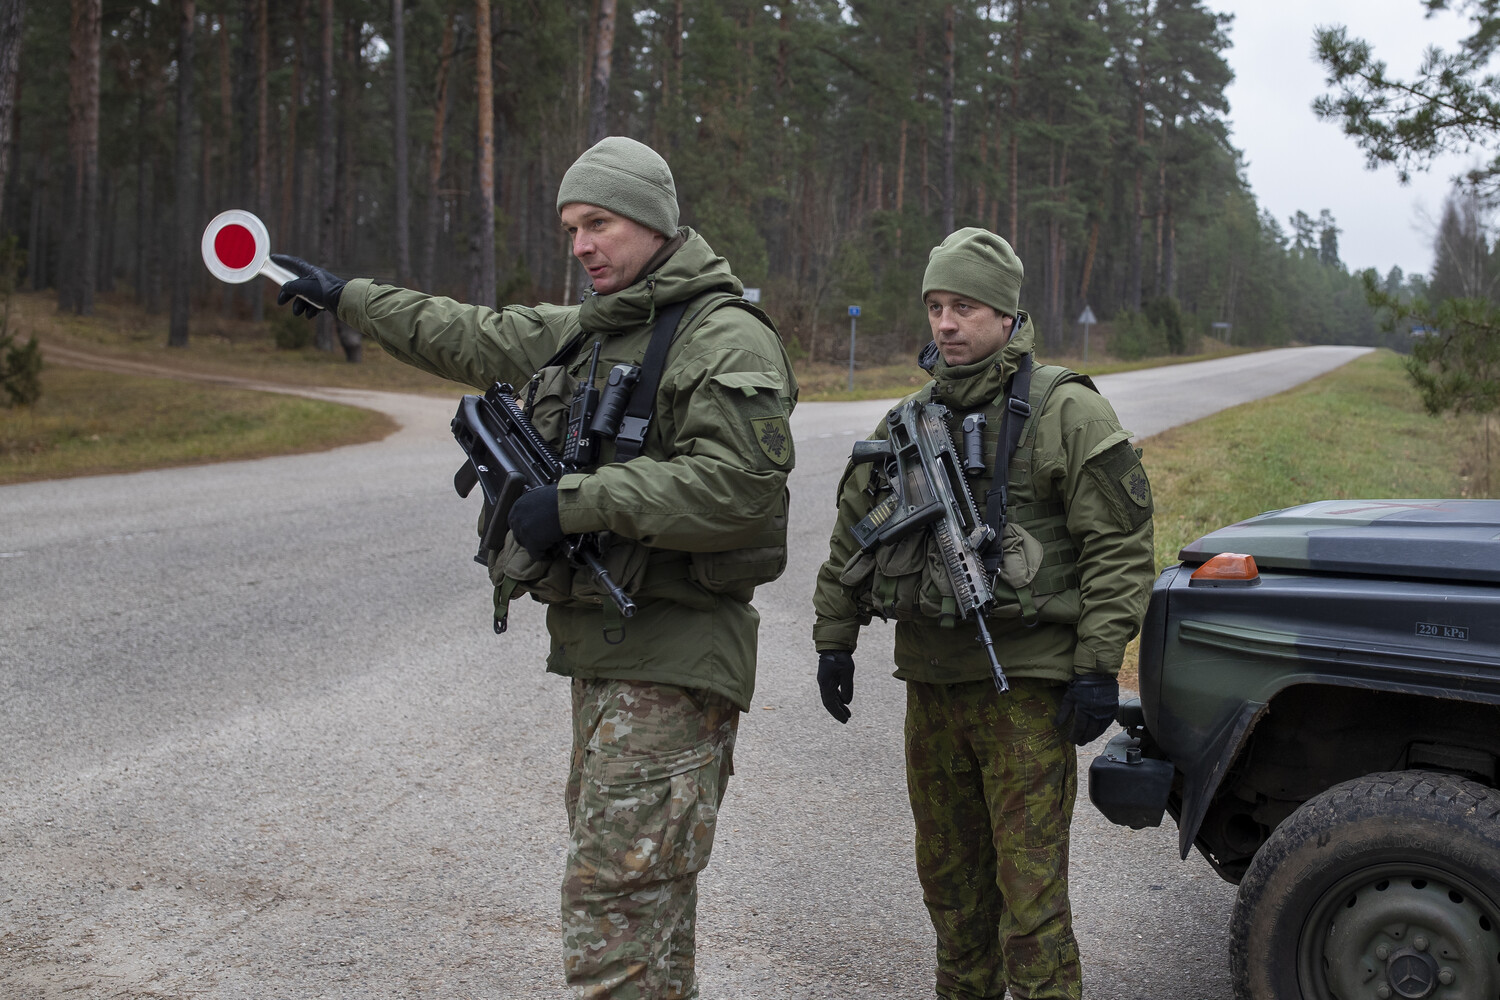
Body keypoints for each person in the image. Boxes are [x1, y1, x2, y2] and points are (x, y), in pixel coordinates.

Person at [272, 136, 797, 1000]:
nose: (582, 244)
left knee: (612, 915)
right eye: (571, 228)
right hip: (610, 663)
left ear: (655, 223)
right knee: (643, 916)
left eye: (600, 222)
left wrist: (577, 502)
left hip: (672, 662)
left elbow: (739, 488)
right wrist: (343, 296)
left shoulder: (722, 338)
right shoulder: (595, 330)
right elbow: (470, 334)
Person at [811, 228, 1153, 1000]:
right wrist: (834, 641)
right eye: (935, 307)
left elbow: (1121, 549)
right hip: (931, 690)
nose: (945, 324)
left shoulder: (1067, 412)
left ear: (1005, 314)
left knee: (1029, 905)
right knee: (952, 897)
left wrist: (1098, 665)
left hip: (1025, 692)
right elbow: (850, 540)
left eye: (963, 306)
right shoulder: (907, 420)